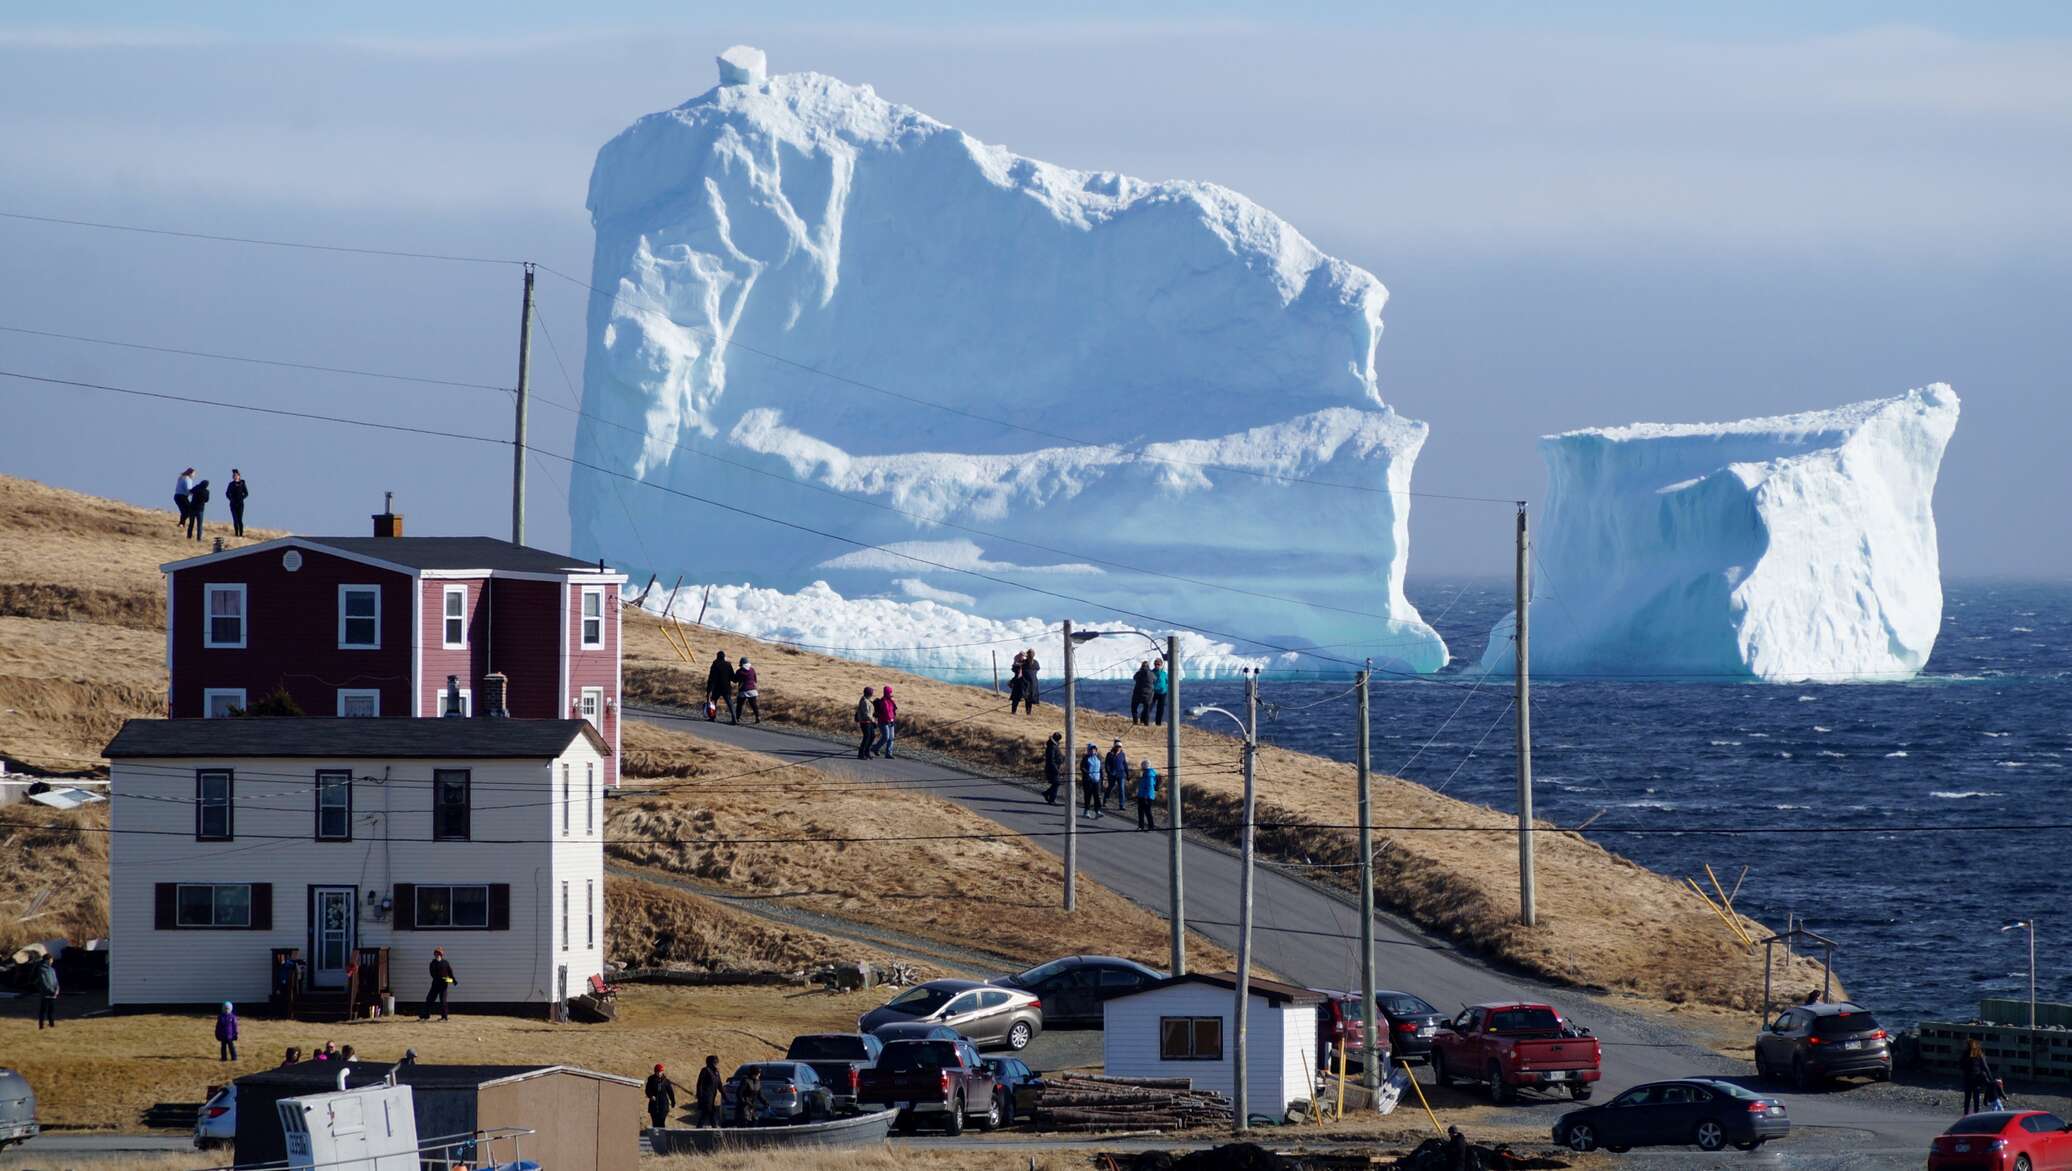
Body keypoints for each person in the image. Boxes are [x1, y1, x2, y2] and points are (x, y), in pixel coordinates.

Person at [421, 948, 457, 1020]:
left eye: (438, 953)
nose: (437, 955)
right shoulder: (432, 963)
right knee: (429, 1000)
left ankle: (444, 1017)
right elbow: (432, 974)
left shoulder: (445, 963)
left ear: (441, 955)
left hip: (443, 985)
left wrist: (453, 980)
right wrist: (440, 978)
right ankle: (425, 1016)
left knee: (443, 1001)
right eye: (435, 954)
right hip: (435, 984)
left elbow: (450, 972)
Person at [1963, 1039, 1995, 1114]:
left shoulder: (1965, 1054)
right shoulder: (1979, 1054)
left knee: (1967, 1098)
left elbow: (1961, 1065)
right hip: (1976, 1079)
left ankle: (1965, 1114)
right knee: (1976, 1097)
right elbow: (1985, 1067)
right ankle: (1976, 1113)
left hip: (1967, 1078)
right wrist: (1990, 1078)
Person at [705, 652, 737, 722]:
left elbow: (711, 678)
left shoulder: (715, 665)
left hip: (717, 688)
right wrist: (738, 677)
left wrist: (709, 689)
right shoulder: (728, 665)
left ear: (717, 656)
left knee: (713, 702)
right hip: (726, 687)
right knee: (730, 703)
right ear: (724, 657)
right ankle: (734, 718)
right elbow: (733, 677)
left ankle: (712, 717)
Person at [694, 1055, 723, 1127]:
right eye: (715, 1062)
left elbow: (719, 1084)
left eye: (716, 1062)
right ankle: (713, 1128)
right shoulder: (705, 1070)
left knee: (708, 1113)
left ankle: (701, 1128)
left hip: (713, 1096)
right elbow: (699, 1083)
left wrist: (724, 1094)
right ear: (710, 1062)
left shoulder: (716, 1072)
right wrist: (699, 1095)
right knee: (709, 1112)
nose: (716, 1064)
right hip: (706, 1095)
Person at [645, 1063, 677, 1129]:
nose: (660, 1073)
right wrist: (651, 1096)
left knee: (661, 1123)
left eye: (661, 1071)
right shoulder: (651, 1080)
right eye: (658, 1072)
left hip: (663, 1106)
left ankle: (661, 1138)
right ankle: (655, 1138)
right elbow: (647, 1090)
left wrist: (673, 1101)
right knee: (655, 1124)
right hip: (654, 1106)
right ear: (655, 1072)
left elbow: (670, 1092)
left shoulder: (666, 1081)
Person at [1079, 743, 1104, 820]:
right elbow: (1082, 767)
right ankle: (1086, 811)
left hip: (1097, 780)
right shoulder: (1086, 758)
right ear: (1088, 750)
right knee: (1088, 796)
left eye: (1094, 749)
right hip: (1088, 781)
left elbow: (1101, 769)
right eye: (1091, 749)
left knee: (1097, 796)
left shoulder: (1098, 758)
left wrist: (1102, 779)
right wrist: (1087, 774)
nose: (1093, 751)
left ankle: (1097, 811)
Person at [733, 658, 761, 724]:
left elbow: (735, 680)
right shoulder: (752, 670)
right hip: (752, 689)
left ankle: (737, 718)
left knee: (739, 705)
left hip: (743, 690)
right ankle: (758, 717)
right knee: (754, 705)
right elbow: (755, 680)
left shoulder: (739, 671)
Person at [872, 686, 898, 758]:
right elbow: (882, 713)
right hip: (883, 722)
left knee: (891, 738)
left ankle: (888, 754)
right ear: (887, 692)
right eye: (890, 692)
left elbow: (893, 712)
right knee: (886, 737)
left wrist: (892, 719)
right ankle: (875, 748)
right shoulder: (882, 702)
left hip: (891, 722)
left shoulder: (891, 701)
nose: (891, 694)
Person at [1135, 761, 1160, 831]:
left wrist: (1145, 797)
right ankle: (1144, 826)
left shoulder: (1149, 775)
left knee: (1146, 811)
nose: (1141, 768)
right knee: (1142, 811)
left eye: (1142, 766)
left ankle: (1149, 826)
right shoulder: (1148, 773)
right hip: (1143, 795)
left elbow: (1149, 787)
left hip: (1146, 796)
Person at [1104, 739, 1129, 810]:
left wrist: (1127, 774)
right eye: (1117, 746)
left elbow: (1125, 764)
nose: (1118, 748)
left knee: (1121, 789)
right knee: (1110, 787)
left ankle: (1122, 805)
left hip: (1121, 774)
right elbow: (1107, 764)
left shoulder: (1122, 754)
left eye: (1120, 747)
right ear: (1114, 747)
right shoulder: (1110, 754)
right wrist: (1109, 772)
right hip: (1112, 774)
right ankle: (1105, 801)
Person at [34, 954, 58, 1029]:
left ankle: (52, 1024)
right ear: (47, 960)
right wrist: (50, 990)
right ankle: (41, 1026)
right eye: (51, 959)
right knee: (43, 1010)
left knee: (51, 1010)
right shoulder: (41, 969)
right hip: (45, 993)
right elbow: (44, 981)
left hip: (53, 993)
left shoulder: (52, 969)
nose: (52, 961)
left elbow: (55, 980)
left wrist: (57, 989)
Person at [225, 469, 249, 537]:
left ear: (239, 476)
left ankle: (241, 534)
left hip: (240, 504)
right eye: (234, 475)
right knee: (235, 520)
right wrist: (230, 499)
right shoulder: (231, 484)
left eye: (236, 475)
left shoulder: (242, 483)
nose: (235, 476)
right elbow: (227, 493)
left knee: (240, 520)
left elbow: (246, 493)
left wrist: (242, 498)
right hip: (233, 504)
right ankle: (236, 534)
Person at [1042, 732, 1065, 804]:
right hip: (1052, 768)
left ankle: (1047, 794)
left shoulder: (1054, 746)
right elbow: (1051, 760)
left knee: (1056, 783)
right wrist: (1056, 769)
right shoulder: (1052, 747)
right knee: (1057, 783)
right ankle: (1051, 799)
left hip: (1054, 767)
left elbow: (1057, 756)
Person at [855, 688, 877, 759]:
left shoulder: (868, 700)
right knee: (866, 737)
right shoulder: (864, 701)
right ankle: (861, 754)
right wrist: (873, 720)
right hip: (865, 722)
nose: (872, 694)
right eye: (872, 692)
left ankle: (867, 752)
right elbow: (866, 714)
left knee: (872, 736)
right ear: (869, 693)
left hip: (869, 722)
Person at [1151, 658, 1169, 726]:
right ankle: (1144, 720)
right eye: (1155, 664)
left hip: (1162, 693)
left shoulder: (1164, 673)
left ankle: (1158, 723)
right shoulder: (1151, 672)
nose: (1156, 666)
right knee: (1149, 707)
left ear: (1161, 665)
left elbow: (1167, 681)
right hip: (1153, 693)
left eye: (1158, 664)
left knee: (1160, 709)